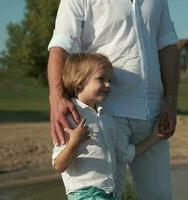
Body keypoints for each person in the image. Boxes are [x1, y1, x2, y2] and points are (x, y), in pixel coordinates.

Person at [47, 0, 179, 199]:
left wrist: (171, 101)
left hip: (153, 112)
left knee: (159, 195)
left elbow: (167, 45)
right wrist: (56, 97)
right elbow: (62, 44)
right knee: (107, 194)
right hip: (105, 113)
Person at [52, 53, 165, 200]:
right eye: (101, 79)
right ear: (79, 82)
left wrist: (156, 137)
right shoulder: (69, 118)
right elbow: (59, 166)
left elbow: (125, 154)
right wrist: (74, 142)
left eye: (109, 80)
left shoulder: (107, 119)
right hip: (86, 193)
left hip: (110, 193)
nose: (108, 85)